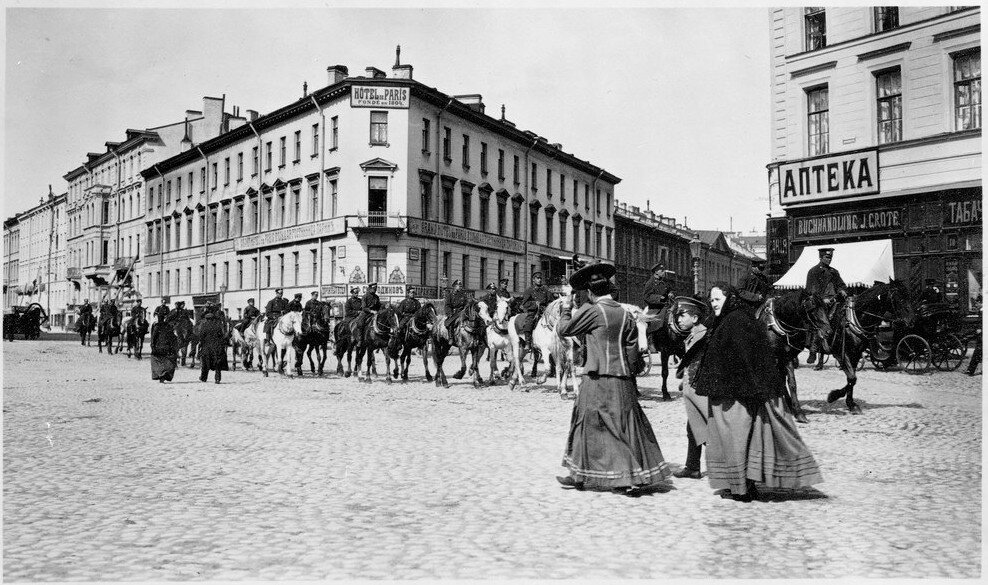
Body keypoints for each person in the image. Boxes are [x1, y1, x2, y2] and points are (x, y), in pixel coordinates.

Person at [694, 282, 823, 502]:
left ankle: (741, 490)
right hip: (739, 392)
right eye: (711, 300)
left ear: (730, 299)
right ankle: (746, 486)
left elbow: (743, 359)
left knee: (735, 440)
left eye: (717, 299)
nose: (713, 304)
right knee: (745, 440)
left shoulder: (734, 322)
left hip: (733, 396)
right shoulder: (737, 320)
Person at [555, 262, 672, 495]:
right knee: (626, 424)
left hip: (597, 377)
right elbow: (631, 347)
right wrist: (624, 369)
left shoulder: (592, 310)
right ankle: (586, 474)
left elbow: (564, 330)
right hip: (622, 379)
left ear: (589, 291)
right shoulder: (623, 312)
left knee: (586, 422)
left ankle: (615, 477)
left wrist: (567, 308)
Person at [672, 295, 710, 480]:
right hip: (693, 390)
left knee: (709, 431)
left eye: (682, 315)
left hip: (701, 392)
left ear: (695, 318)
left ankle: (728, 469)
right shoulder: (694, 334)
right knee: (693, 428)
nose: (678, 319)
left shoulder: (702, 335)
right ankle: (692, 467)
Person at [805, 248, 847, 367]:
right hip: (818, 303)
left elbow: (840, 284)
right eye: (827, 257)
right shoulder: (813, 271)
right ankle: (813, 351)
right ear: (821, 257)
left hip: (834, 302)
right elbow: (811, 290)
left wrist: (842, 290)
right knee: (820, 324)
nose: (829, 259)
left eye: (830, 257)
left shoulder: (834, 272)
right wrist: (822, 299)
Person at [517, 272, 550, 352]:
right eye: (537, 278)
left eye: (540, 278)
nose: (539, 280)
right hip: (533, 312)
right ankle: (528, 343)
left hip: (544, 311)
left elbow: (550, 301)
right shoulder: (529, 290)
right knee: (529, 322)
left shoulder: (545, 290)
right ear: (533, 280)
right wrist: (535, 304)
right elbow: (524, 303)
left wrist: (548, 306)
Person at [197, 303, 229, 384]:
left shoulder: (204, 326)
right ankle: (217, 379)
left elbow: (201, 336)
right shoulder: (217, 325)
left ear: (207, 319)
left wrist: (201, 345)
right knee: (217, 363)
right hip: (217, 347)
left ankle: (203, 378)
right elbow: (221, 335)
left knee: (205, 363)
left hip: (207, 347)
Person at [150, 311, 179, 383]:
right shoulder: (168, 326)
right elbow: (173, 337)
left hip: (158, 348)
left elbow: (153, 338)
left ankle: (161, 374)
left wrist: (153, 347)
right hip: (167, 347)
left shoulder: (156, 326)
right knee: (168, 360)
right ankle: (165, 374)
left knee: (154, 360)